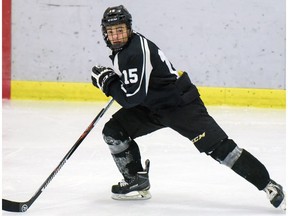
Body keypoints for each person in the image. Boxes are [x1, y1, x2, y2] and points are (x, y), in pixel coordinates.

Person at [91, 5, 286, 210]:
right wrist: (112, 80)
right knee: (114, 131)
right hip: (151, 106)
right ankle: (135, 180)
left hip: (180, 105)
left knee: (220, 149)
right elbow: (136, 90)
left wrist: (108, 83)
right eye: (111, 32)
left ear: (128, 29)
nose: (116, 36)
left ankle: (268, 185)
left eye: (120, 30)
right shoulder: (124, 50)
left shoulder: (135, 51)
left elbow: (130, 98)